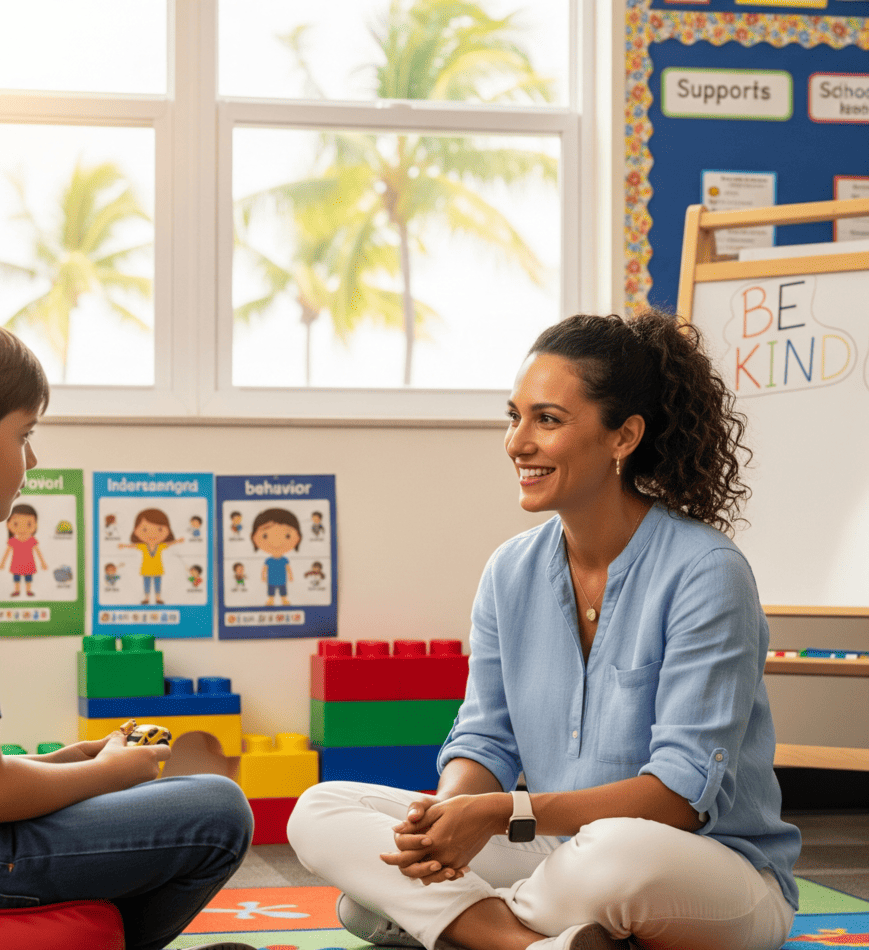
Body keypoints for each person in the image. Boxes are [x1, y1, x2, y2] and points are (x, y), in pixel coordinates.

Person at [288, 311, 800, 950]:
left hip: (703, 869)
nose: (516, 442)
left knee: (614, 854)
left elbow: (678, 800)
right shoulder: (510, 570)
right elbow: (484, 738)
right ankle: (530, 943)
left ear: (624, 436)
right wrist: (447, 820)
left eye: (547, 420)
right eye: (515, 416)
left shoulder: (707, 573)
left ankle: (456, 923)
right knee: (321, 810)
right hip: (552, 851)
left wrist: (499, 815)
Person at [0, 308, 255, 950]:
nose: (31, 459)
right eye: (23, 435)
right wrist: (113, 773)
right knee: (218, 811)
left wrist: (67, 761)